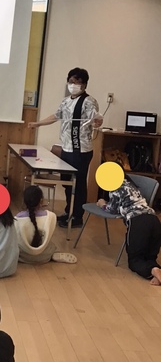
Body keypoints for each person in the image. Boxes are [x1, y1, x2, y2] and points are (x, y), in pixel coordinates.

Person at [28, 67, 103, 229]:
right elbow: (56, 116)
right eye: (70, 81)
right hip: (67, 148)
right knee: (68, 182)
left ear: (84, 84)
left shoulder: (88, 101)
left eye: (76, 82)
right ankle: (69, 212)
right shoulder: (66, 101)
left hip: (80, 150)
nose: (73, 85)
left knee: (78, 183)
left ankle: (77, 216)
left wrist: (98, 121)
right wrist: (38, 123)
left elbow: (96, 118)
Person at [97, 177, 161, 285]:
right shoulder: (131, 185)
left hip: (138, 221)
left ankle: (153, 270)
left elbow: (112, 209)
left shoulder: (115, 187)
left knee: (134, 261)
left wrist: (102, 204)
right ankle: (155, 271)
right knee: (150, 256)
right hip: (154, 220)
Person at [15, 185, 77, 264]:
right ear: (41, 201)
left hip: (23, 256)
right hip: (45, 255)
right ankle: (53, 255)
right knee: (51, 245)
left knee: (16, 246)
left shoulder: (18, 218)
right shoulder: (51, 216)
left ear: (24, 201)